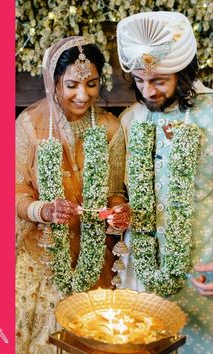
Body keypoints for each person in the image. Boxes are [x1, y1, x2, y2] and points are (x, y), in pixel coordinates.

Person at [109, 11, 213, 353]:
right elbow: (118, 191)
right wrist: (117, 208)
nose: (148, 90)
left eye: (159, 80)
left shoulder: (211, 113)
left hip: (204, 270)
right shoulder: (131, 119)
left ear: (183, 74)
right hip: (144, 273)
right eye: (139, 80)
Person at [16, 36, 127, 354]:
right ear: (53, 83)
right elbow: (14, 189)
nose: (83, 95)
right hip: (42, 253)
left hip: (93, 256)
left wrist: (119, 211)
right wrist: (45, 210)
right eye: (72, 85)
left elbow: (115, 192)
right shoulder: (29, 123)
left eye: (92, 84)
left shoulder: (110, 127)